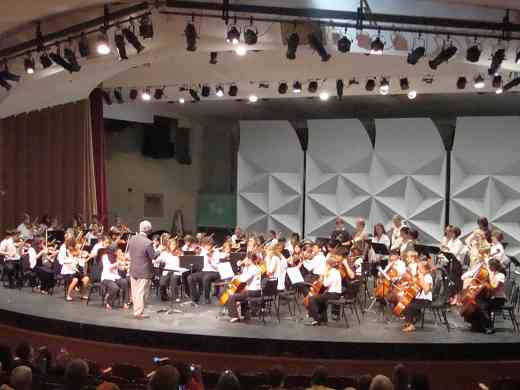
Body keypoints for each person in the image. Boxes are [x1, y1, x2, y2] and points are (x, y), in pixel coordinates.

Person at [128, 220, 156, 319]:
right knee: (141, 292)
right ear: (148, 231)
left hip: (133, 269)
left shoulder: (132, 239)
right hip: (144, 271)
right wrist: (158, 251)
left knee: (135, 292)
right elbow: (153, 257)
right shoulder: (148, 242)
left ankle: (137, 311)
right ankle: (139, 313)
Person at [307, 256, 342, 326]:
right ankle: (323, 318)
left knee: (311, 298)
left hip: (333, 294)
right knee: (321, 298)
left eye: (326, 265)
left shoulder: (332, 273)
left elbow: (325, 284)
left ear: (329, 265)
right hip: (334, 294)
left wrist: (324, 275)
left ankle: (317, 319)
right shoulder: (336, 272)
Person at [227, 253, 262, 323]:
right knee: (239, 292)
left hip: (253, 291)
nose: (244, 260)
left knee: (231, 297)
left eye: (246, 259)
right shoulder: (255, 267)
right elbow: (244, 276)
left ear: (249, 260)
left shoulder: (253, 268)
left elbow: (243, 279)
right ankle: (245, 313)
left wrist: (235, 278)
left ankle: (235, 316)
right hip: (255, 291)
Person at [401, 261, 433, 333]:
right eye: (417, 268)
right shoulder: (420, 276)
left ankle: (412, 325)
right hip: (418, 298)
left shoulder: (428, 277)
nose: (418, 270)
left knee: (409, 306)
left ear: (426, 269)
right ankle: (411, 320)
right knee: (403, 302)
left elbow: (426, 290)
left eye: (420, 269)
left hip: (425, 299)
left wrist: (421, 279)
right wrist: (406, 285)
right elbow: (413, 284)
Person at [188, 238, 221, 304]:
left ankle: (207, 298)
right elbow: (198, 264)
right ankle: (195, 298)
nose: (207, 247)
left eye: (209, 245)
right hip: (204, 271)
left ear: (211, 245)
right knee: (190, 277)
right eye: (205, 245)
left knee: (206, 277)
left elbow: (218, 267)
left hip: (214, 272)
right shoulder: (203, 252)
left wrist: (211, 261)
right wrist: (196, 257)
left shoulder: (216, 252)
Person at [101, 244, 130, 310]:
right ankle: (108, 302)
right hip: (107, 277)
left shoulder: (116, 257)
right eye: (116, 251)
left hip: (116, 277)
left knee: (125, 282)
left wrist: (126, 266)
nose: (117, 252)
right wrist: (118, 263)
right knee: (115, 288)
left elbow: (120, 268)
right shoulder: (105, 257)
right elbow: (108, 267)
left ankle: (125, 302)